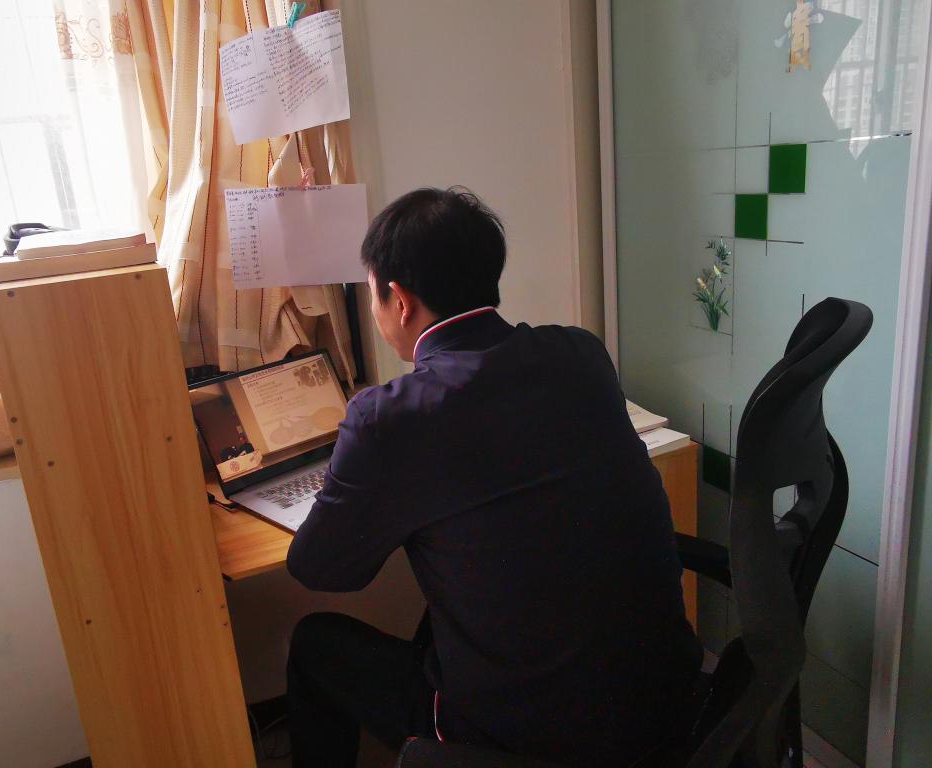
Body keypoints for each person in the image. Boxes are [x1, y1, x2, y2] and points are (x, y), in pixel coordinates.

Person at [285, 187, 702, 768]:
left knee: (315, 644)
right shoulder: (580, 354)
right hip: (670, 708)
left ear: (399, 301)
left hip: (531, 740)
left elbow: (320, 568)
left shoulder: (389, 419)